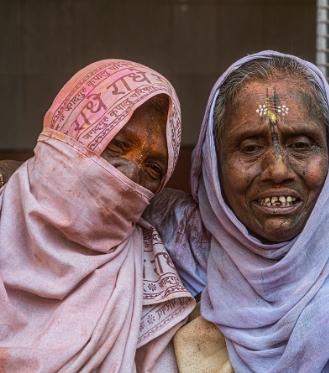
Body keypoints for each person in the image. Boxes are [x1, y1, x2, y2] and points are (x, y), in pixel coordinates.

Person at [143, 51, 329, 372]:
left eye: (301, 144)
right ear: (212, 165)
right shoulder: (167, 249)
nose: (277, 170)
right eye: (250, 147)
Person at [0, 59, 194, 372]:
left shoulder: (150, 281)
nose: (130, 175)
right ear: (68, 132)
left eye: (154, 169)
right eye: (118, 145)